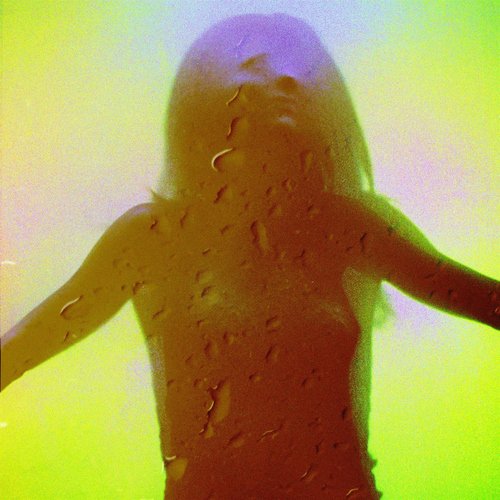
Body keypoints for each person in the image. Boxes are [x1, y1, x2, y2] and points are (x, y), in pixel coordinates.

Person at [1, 13, 498, 499]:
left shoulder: (353, 226)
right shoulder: (150, 237)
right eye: (257, 66)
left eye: (297, 72)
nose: (285, 77)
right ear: (202, 99)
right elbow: (23, 347)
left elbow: (480, 299)